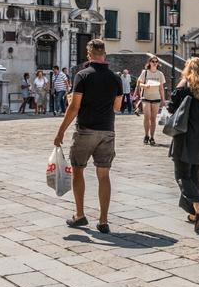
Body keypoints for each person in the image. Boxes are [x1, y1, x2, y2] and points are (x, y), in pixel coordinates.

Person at [54, 39, 122, 234]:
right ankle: (103, 220)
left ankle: (80, 214)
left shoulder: (82, 75)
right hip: (108, 130)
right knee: (104, 175)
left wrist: (60, 132)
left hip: (86, 129)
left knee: (78, 170)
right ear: (104, 54)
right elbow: (116, 107)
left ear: (89, 54)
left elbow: (74, 107)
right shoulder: (115, 78)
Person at [167, 57, 199, 233]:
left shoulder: (186, 87)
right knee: (196, 174)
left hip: (185, 135)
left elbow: (172, 107)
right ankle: (193, 214)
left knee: (182, 175)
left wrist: (181, 83)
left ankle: (198, 206)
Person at [135, 56, 166, 146]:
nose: (155, 63)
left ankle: (152, 137)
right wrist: (145, 86)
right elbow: (140, 84)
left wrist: (163, 100)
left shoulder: (160, 74)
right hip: (146, 97)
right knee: (147, 117)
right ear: (149, 62)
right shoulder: (145, 73)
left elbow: (161, 88)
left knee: (153, 119)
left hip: (156, 98)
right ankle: (146, 135)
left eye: (156, 61)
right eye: (153, 61)